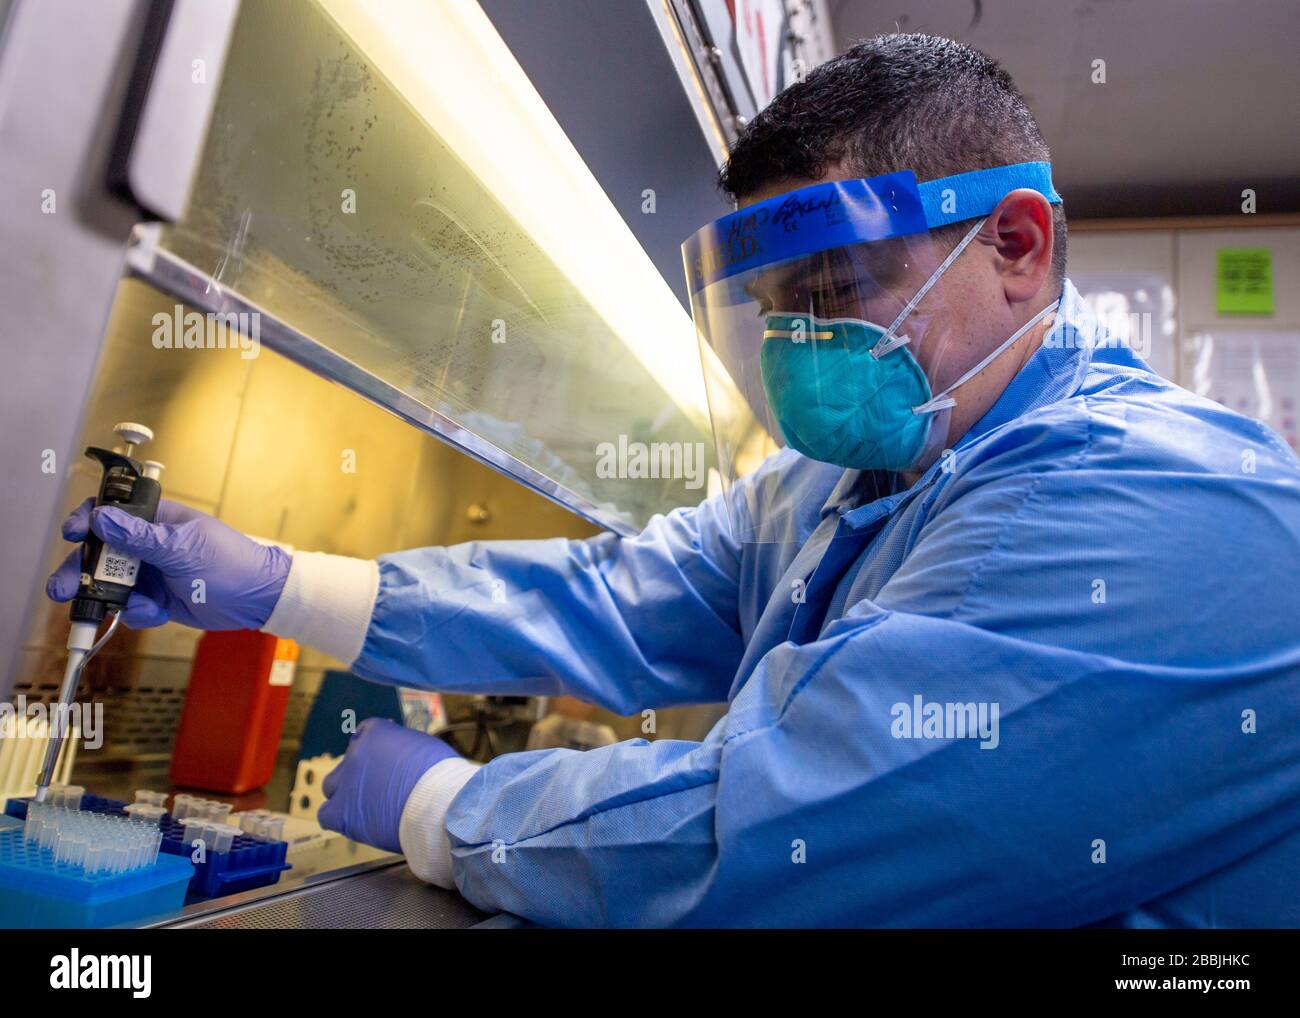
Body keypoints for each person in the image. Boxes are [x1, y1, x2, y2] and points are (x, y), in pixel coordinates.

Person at [49, 34, 1300, 927]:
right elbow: (623, 594)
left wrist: (450, 807)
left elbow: (788, 832)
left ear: (1015, 246)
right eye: (775, 312)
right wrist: (277, 585)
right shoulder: (868, 473)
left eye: (833, 293)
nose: (801, 345)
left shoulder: (1163, 505)